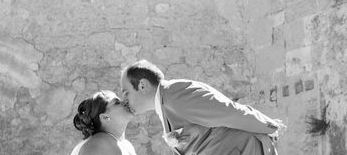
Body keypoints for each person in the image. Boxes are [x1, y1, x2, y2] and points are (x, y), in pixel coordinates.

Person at [120, 60, 286, 155]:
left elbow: (228, 112)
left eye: (126, 92)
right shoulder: (165, 102)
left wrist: (269, 126)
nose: (124, 99)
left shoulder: (175, 94)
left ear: (142, 85)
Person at [70, 90, 137, 155]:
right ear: (105, 117)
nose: (125, 102)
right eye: (117, 103)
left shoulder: (127, 144)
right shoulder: (99, 144)